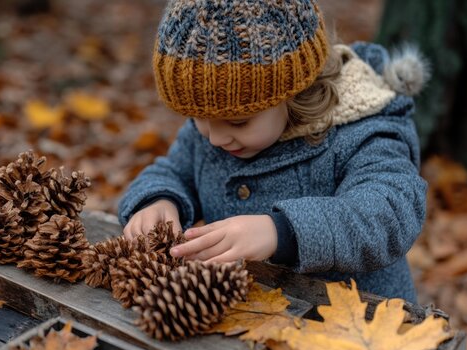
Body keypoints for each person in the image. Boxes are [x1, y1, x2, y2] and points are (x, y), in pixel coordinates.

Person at [118, 0, 430, 303]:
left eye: (238, 121)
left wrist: (281, 232)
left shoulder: (361, 130)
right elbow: (173, 170)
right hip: (250, 324)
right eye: (198, 118)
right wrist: (158, 199)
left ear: (296, 92)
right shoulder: (215, 126)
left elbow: (388, 212)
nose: (214, 138)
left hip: (362, 331)